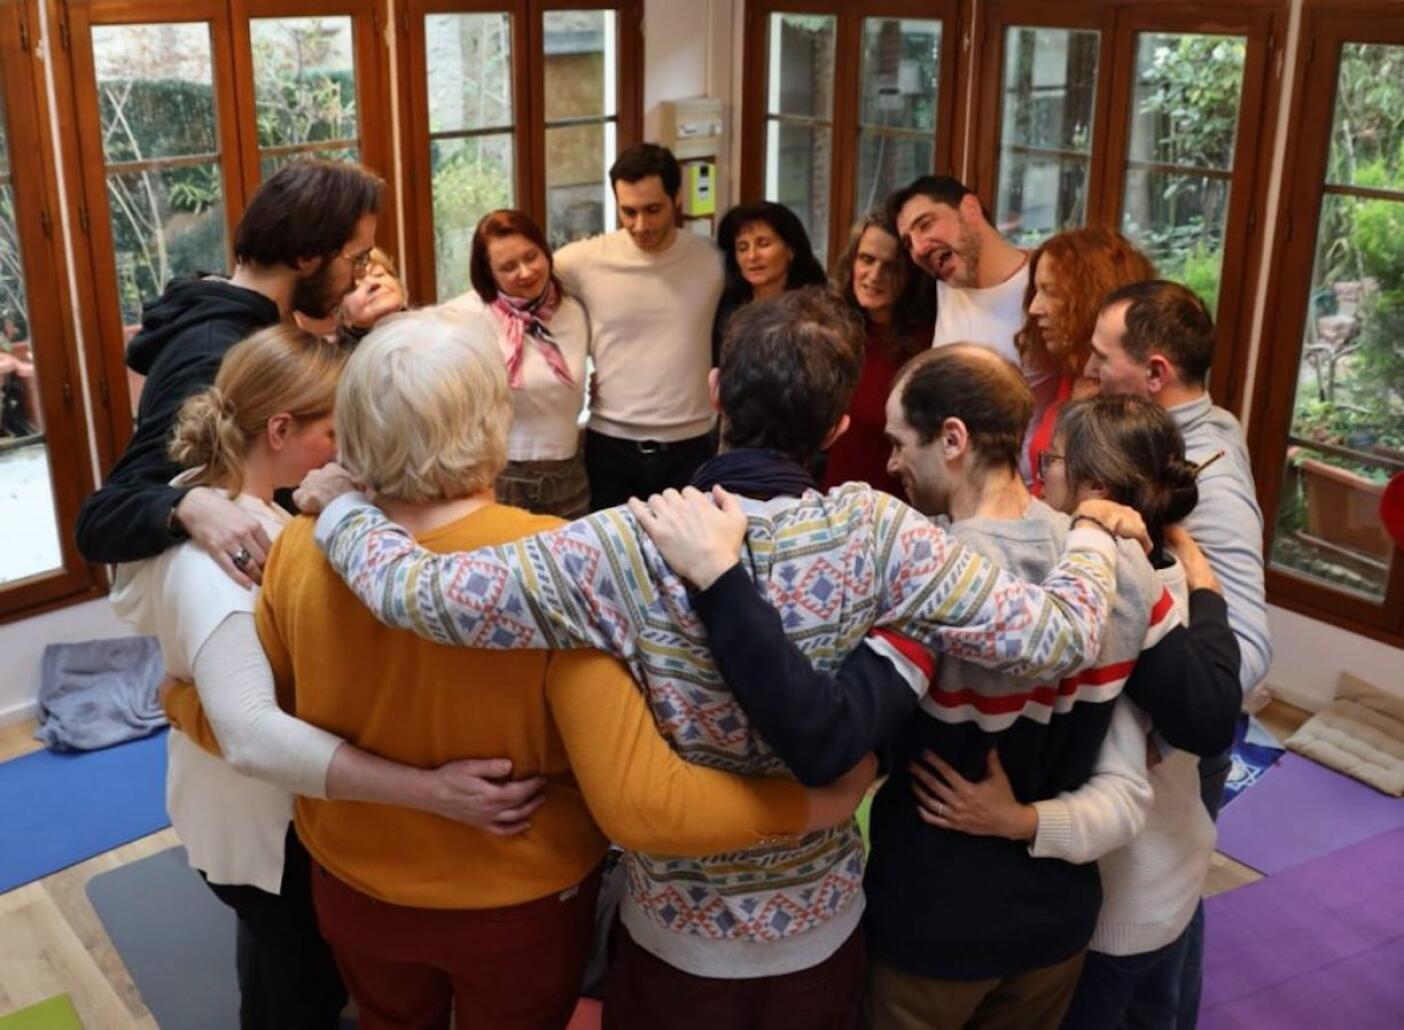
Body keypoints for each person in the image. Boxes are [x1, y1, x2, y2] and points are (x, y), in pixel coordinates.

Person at [296, 288, 1149, 1030]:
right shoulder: (885, 532)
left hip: (678, 940)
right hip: (821, 933)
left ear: (715, 394)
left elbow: (418, 594)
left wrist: (339, 509)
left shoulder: (626, 544)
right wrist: (1089, 528)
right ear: (837, 426)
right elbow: (1063, 633)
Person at [256, 309, 871, 1028]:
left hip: (353, 884)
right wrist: (815, 808)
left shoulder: (302, 544)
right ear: (493, 420)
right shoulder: (562, 562)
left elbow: (260, 711)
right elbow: (640, 801)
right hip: (513, 901)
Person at [629, 346, 1239, 1030]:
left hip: (933, 925)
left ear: (954, 439)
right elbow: (1195, 720)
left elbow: (837, 735)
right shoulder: (1114, 554)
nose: (889, 464)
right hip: (1057, 925)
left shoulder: (922, 571)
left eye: (897, 443)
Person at [109, 325, 547, 1029]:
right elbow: (251, 733)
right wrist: (433, 792)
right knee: (295, 991)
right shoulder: (224, 561)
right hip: (261, 828)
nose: (345, 452)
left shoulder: (214, 502)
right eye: (335, 432)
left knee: (284, 971)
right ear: (280, 429)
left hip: (245, 809)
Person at [916, 394, 1236, 1029]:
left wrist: (1017, 820)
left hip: (1124, 900)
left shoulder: (1111, 593)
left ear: (1093, 487)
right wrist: (1203, 580)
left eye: (1051, 461)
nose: (1038, 478)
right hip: (1177, 873)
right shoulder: (1169, 567)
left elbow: (1182, 735)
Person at [1084, 279, 1273, 1023]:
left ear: (1155, 373)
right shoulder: (1179, 433)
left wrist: (1159, 726)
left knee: (1165, 906)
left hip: (1188, 737)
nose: (1092, 371)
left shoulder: (1207, 477)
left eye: (1104, 359)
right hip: (1171, 725)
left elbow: (1249, 648)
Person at [75, 158, 384, 587]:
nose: (360, 277)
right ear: (307, 255)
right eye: (358, 257)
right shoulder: (214, 355)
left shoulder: (259, 318)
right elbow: (101, 519)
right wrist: (186, 504)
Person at [553, 143, 723, 510]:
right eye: (628, 212)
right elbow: (519, 291)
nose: (641, 225)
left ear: (677, 198)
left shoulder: (713, 261)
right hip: (609, 444)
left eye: (653, 210)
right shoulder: (580, 262)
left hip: (691, 445)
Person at [441, 209, 591, 518]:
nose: (525, 272)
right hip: (500, 478)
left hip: (570, 474)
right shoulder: (463, 317)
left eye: (531, 256)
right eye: (508, 267)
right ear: (488, 273)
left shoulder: (574, 312)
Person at [1017, 229, 1156, 489]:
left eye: (1052, 291)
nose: (1035, 308)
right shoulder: (1070, 374)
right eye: (1036, 291)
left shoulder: (1123, 397)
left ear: (1092, 297)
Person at [819, 213, 933, 496]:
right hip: (831, 503)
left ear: (913, 275)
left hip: (895, 512)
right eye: (867, 259)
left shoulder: (928, 344)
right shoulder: (830, 328)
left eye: (891, 267)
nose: (874, 275)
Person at [886, 175, 1029, 364]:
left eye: (926, 224)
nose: (919, 249)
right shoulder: (939, 288)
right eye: (908, 243)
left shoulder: (1043, 286)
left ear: (971, 209)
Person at [712, 200, 828, 362]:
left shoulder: (817, 310)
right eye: (742, 248)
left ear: (791, 249)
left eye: (763, 244)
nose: (752, 256)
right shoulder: (729, 307)